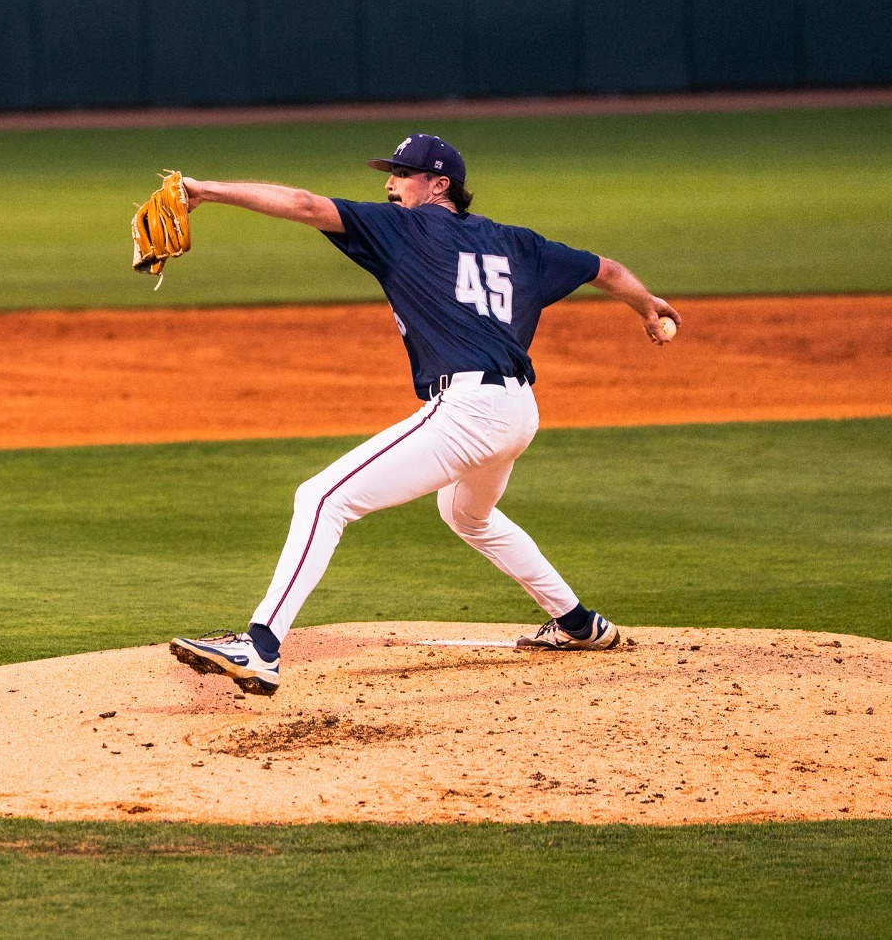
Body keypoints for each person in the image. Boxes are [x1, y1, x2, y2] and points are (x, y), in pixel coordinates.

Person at [168, 133, 681, 697]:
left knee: (322, 499)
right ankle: (580, 623)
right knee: (468, 515)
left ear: (440, 186)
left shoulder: (406, 228)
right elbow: (605, 270)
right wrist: (648, 306)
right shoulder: (518, 243)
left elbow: (306, 205)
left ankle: (260, 647)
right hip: (518, 412)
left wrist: (205, 190)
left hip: (469, 412)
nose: (389, 184)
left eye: (402, 174)